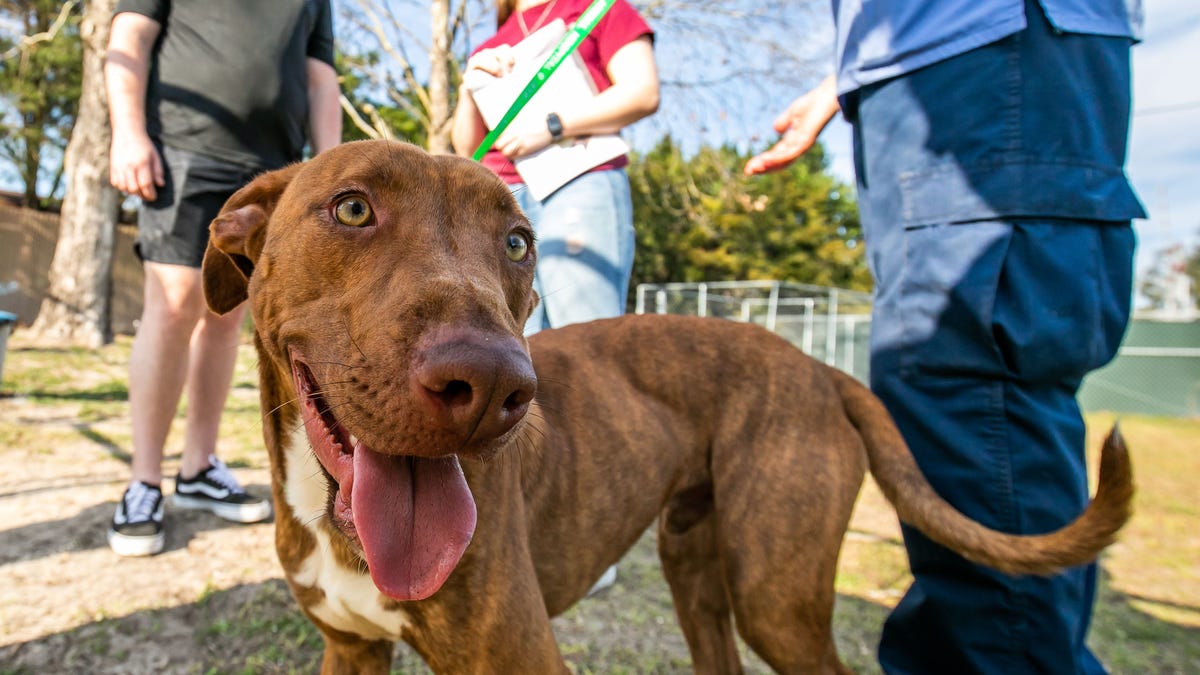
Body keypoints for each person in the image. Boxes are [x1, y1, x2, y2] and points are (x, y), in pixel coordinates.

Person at [746, 0, 1144, 672]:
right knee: (940, 394)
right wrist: (843, 81)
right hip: (929, 71)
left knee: (973, 387)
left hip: (994, 58)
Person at [104, 0, 342, 557]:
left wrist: (332, 174)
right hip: (185, 151)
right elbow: (130, 38)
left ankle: (198, 467)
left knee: (227, 314)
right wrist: (128, 132)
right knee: (174, 301)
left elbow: (320, 77)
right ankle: (143, 481)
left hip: (274, 167)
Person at [450, 0, 659, 335]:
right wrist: (469, 86)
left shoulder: (601, 9)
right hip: (505, 201)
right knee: (517, 343)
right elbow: (467, 149)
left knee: (584, 336)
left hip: (579, 180)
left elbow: (642, 92)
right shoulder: (491, 46)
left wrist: (552, 127)